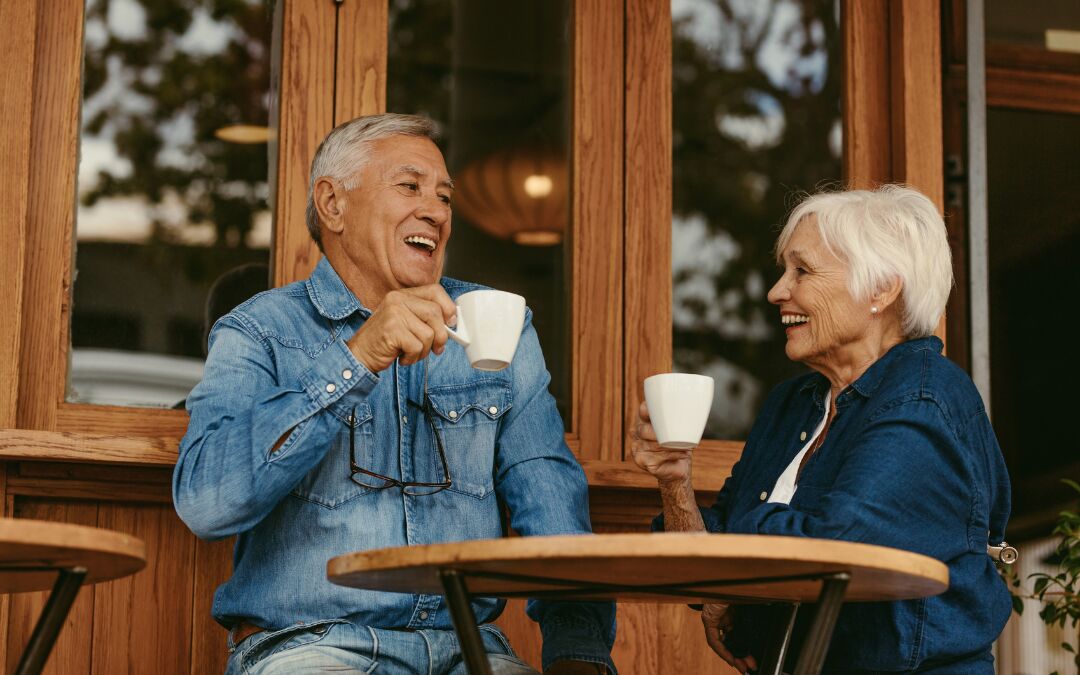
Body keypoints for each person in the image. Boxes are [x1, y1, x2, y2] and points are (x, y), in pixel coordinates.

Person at [173, 113, 615, 675]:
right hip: (310, 647)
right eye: (409, 187)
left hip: (470, 652)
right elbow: (207, 502)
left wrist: (579, 653)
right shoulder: (259, 330)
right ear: (333, 204)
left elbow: (550, 499)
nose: (435, 210)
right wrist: (357, 358)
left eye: (445, 196)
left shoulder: (495, 323)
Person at [631, 185, 1012, 674]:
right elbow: (707, 556)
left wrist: (732, 565)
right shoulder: (793, 404)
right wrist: (675, 481)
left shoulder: (923, 397)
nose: (776, 291)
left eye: (802, 271)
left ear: (882, 289)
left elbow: (834, 549)